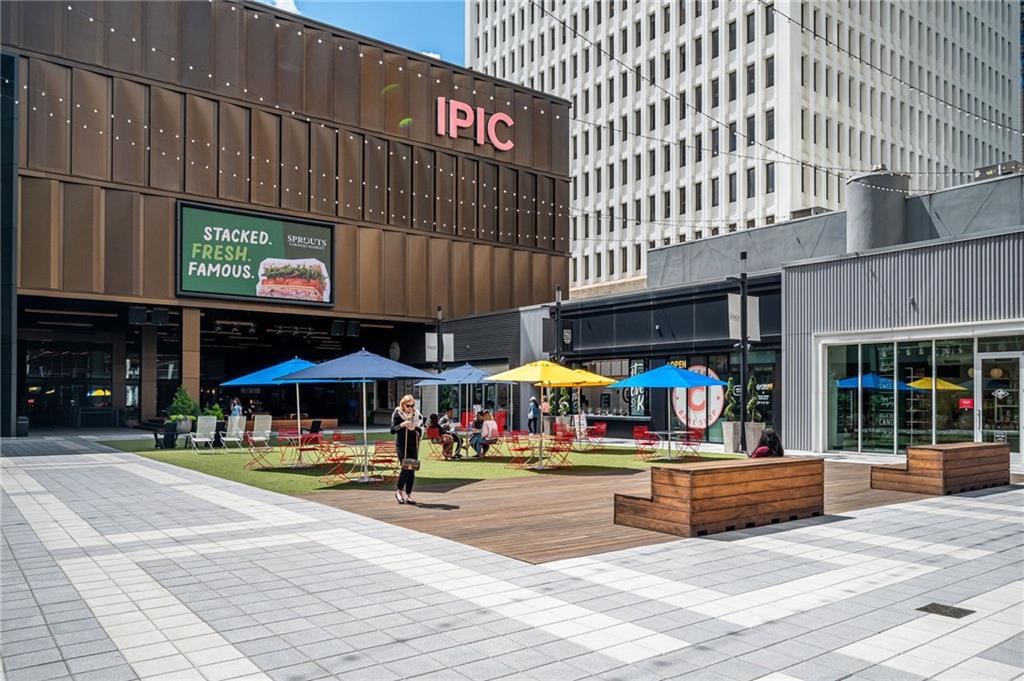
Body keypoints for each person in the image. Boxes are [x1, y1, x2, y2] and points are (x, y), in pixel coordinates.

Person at [391, 395, 423, 504]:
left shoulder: (417, 415)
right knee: (405, 468)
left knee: (412, 469)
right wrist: (402, 424)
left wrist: (415, 428)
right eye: (408, 406)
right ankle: (399, 491)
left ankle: (408, 495)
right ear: (403, 404)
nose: (410, 408)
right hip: (401, 444)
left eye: (412, 405)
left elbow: (421, 430)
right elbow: (392, 430)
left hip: (413, 444)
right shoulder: (398, 413)